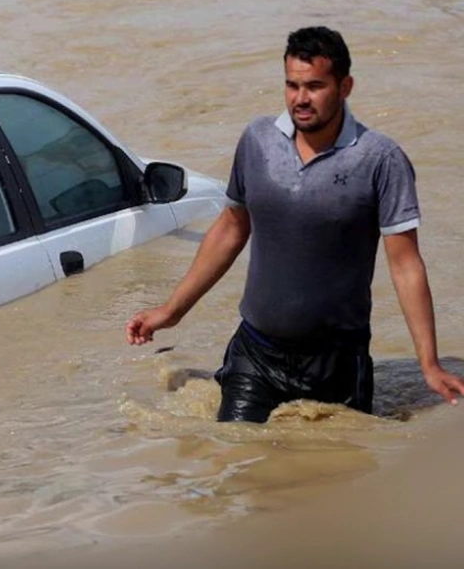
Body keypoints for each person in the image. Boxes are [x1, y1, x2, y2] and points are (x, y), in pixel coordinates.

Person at [125, 26, 464, 422]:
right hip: (255, 354)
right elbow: (231, 227)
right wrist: (172, 310)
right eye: (292, 85)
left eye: (315, 86)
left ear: (345, 86)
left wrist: (428, 363)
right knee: (233, 460)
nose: (300, 99)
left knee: (334, 477)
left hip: (336, 363)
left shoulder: (379, 160)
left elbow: (405, 264)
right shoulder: (258, 141)